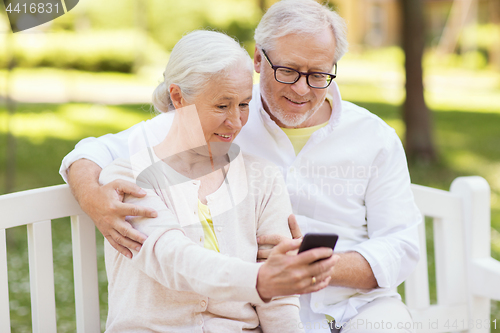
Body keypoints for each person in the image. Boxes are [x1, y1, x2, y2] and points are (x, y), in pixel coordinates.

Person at [60, 1, 421, 332]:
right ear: (259, 60)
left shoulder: (373, 137)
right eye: (289, 71)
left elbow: (403, 245)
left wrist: (313, 268)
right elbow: (97, 151)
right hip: (263, 310)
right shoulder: (215, 119)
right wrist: (93, 197)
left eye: (318, 75)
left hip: (358, 309)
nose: (301, 89)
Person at [96, 30, 337, 332]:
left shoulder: (263, 178)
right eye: (222, 106)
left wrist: (281, 277)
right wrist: (260, 279)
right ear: (178, 96)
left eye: (244, 104)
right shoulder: (129, 178)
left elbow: (279, 302)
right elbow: (172, 259)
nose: (235, 122)